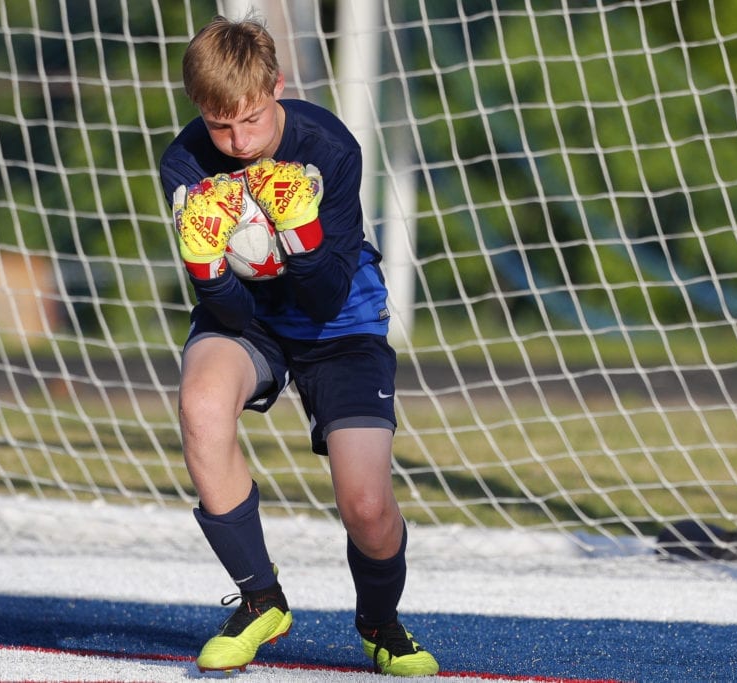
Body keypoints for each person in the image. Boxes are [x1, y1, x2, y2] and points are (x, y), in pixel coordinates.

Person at [158, 15, 439, 677]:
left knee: (367, 506)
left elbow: (325, 293)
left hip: (337, 320)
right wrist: (206, 266)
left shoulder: (329, 148)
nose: (237, 141)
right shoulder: (185, 160)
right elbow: (221, 306)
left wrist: (302, 234)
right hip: (250, 320)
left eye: (251, 121)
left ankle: (380, 621)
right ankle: (260, 599)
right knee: (200, 406)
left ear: (276, 88)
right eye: (219, 125)